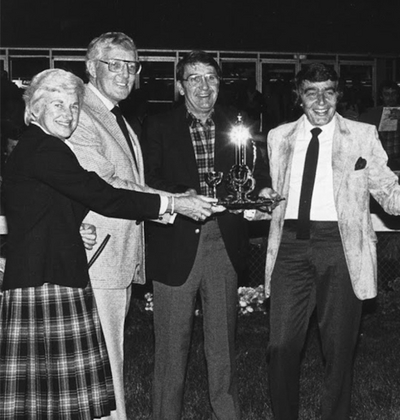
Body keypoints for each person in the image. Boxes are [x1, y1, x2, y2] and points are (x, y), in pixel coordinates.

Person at [0, 69, 217, 420]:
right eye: (57, 104)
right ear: (34, 109)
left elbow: (45, 207)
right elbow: (103, 195)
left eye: (73, 106)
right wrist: (173, 203)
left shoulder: (45, 148)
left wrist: (72, 229)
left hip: (51, 275)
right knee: (48, 401)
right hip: (43, 283)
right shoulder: (44, 148)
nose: (67, 114)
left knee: (50, 401)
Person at [253, 63, 400, 419]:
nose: (321, 101)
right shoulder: (279, 136)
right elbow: (265, 199)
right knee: (281, 346)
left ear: (338, 94)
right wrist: (253, 202)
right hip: (289, 246)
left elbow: (389, 195)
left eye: (329, 92)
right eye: (311, 92)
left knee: (338, 350)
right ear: (298, 96)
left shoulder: (363, 135)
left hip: (341, 246)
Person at [143, 50, 270, 420]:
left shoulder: (238, 125)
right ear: (180, 86)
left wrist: (260, 192)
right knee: (170, 345)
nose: (203, 86)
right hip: (175, 241)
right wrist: (182, 197)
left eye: (211, 78)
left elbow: (253, 175)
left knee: (222, 343)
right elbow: (147, 179)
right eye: (194, 79)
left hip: (223, 242)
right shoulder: (157, 125)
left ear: (219, 84)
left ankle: (227, 413)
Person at [66, 32, 167, 420]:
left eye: (132, 65)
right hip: (99, 258)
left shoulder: (115, 116)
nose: (126, 74)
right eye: (115, 64)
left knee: (108, 359)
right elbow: (106, 185)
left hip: (116, 259)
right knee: (104, 363)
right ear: (92, 68)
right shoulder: (82, 114)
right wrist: (170, 203)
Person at [359, 80, 400, 170]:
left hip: (399, 160)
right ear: (381, 97)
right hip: (378, 161)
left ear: (397, 95)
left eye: (393, 94)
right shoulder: (372, 113)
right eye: (386, 94)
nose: (390, 97)